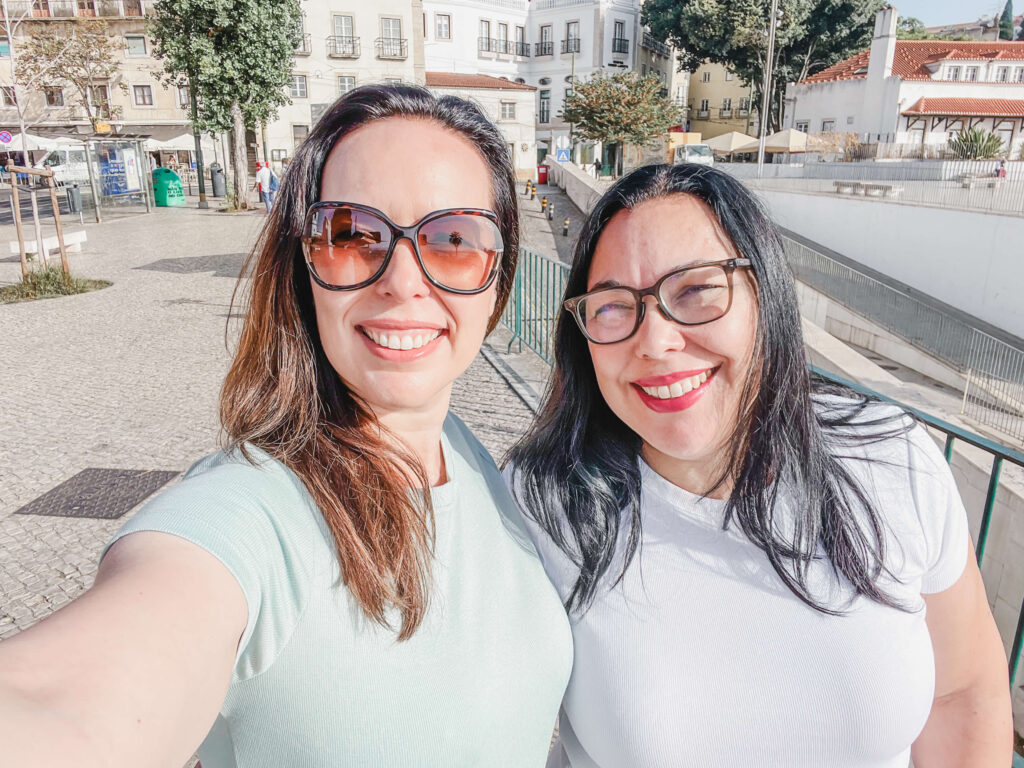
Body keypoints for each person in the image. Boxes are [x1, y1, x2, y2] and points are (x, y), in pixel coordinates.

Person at [0, 84, 571, 767]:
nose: (403, 280)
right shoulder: (249, 512)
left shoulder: (467, 456)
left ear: (497, 278)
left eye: (453, 241)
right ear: (305, 261)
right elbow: (74, 700)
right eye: (354, 234)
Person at [506, 163, 1012, 767]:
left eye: (694, 291)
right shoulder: (542, 505)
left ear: (764, 294)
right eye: (614, 307)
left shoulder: (890, 459)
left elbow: (961, 693)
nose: (656, 340)